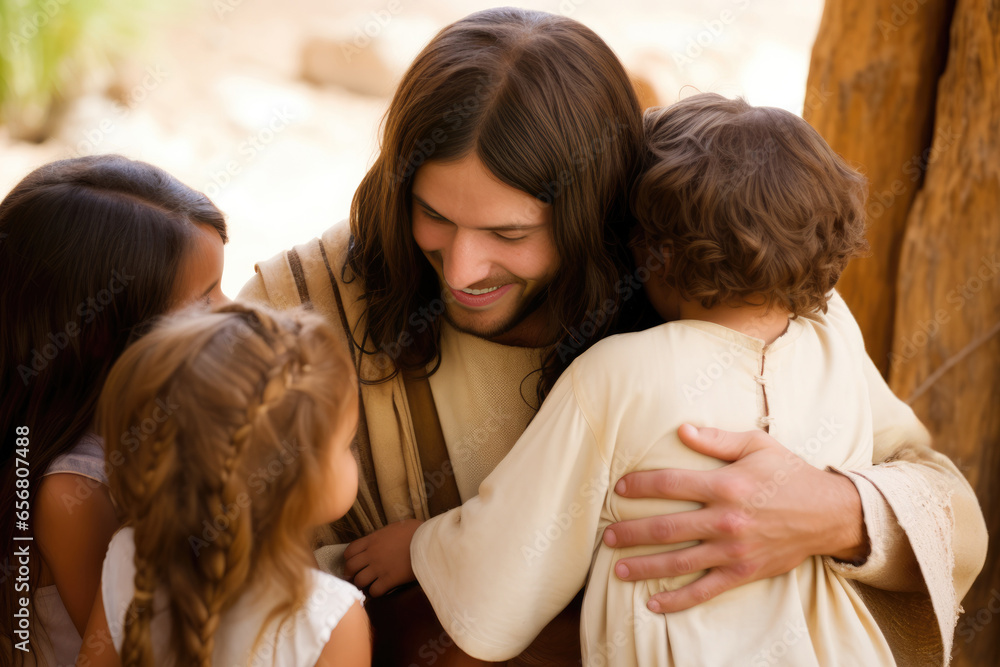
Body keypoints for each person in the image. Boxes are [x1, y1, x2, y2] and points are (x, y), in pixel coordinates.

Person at [238, 8, 987, 665]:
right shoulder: (302, 306)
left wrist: (834, 512)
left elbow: (949, 512)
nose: (463, 267)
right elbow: (202, 562)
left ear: (606, 216)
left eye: (510, 232)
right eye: (433, 215)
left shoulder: (742, 292)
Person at [352, 93, 945, 665]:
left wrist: (419, 548)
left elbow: (510, 561)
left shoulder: (619, 374)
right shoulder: (832, 341)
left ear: (649, 252)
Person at [0, 155, 228, 666]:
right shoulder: (71, 490)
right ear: (104, 336)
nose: (233, 310)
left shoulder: (147, 415)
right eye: (205, 301)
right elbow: (129, 652)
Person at [77, 304, 370, 666]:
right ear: (294, 479)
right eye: (348, 445)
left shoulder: (133, 552)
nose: (355, 456)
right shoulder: (332, 618)